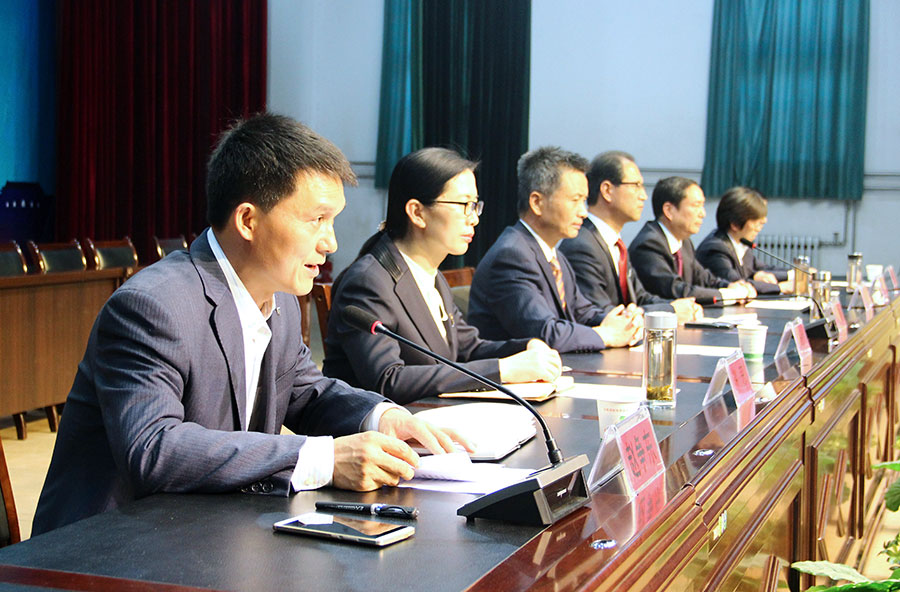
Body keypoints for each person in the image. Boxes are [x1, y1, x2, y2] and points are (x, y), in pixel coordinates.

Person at [32, 114, 464, 535]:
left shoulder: (281, 300)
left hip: (209, 531)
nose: (331, 243)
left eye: (332, 221)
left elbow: (306, 392)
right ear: (247, 221)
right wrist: (323, 458)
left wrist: (381, 416)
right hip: (109, 547)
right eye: (316, 220)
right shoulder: (152, 306)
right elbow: (153, 447)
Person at [322, 148, 562, 403]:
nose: (474, 219)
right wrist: (504, 370)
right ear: (417, 212)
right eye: (464, 205)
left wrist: (526, 347)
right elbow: (388, 380)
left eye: (475, 205)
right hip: (378, 423)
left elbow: (468, 348)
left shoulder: (431, 274)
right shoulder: (369, 281)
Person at [468, 146, 642, 353]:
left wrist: (623, 321)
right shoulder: (511, 255)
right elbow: (545, 333)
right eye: (575, 200)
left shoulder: (554, 255)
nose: (583, 212)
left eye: (584, 201)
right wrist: (607, 335)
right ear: (537, 203)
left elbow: (583, 313)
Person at [559, 151, 702, 323]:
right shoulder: (582, 245)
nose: (643, 196)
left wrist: (680, 307)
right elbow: (602, 315)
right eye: (636, 185)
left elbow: (640, 298)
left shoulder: (615, 243)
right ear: (607, 190)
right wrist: (670, 311)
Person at [629, 176, 756, 304]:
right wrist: (729, 295)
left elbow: (704, 278)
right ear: (669, 210)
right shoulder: (648, 244)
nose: (702, 214)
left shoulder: (684, 242)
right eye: (696, 205)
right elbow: (676, 290)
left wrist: (730, 286)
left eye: (702, 205)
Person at [695, 186, 791, 295]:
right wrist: (780, 287)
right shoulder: (715, 249)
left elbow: (760, 268)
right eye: (756, 221)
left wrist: (794, 275)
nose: (762, 225)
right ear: (735, 224)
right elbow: (737, 283)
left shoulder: (740, 242)